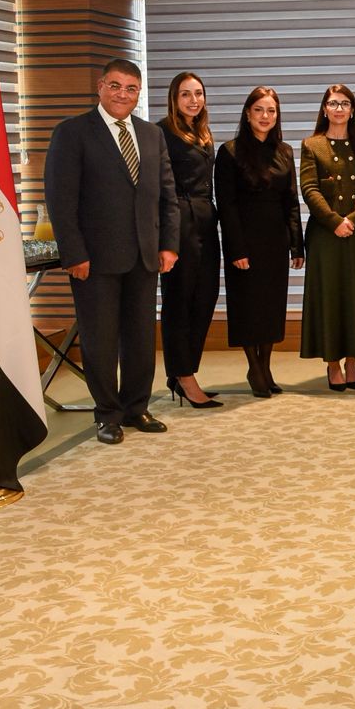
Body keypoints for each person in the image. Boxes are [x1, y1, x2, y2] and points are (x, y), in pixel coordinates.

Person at [44, 58, 179, 445]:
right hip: (94, 259)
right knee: (100, 340)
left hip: (144, 255)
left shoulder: (151, 135)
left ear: (139, 94)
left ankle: (137, 408)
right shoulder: (72, 132)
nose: (123, 94)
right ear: (100, 86)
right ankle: (107, 414)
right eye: (116, 86)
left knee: (140, 337)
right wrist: (73, 253)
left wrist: (169, 244)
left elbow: (167, 195)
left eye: (131, 88)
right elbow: (60, 199)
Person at [216, 86, 304, 398]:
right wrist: (236, 248)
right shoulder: (229, 152)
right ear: (247, 113)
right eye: (259, 110)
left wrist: (297, 245)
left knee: (271, 306)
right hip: (245, 240)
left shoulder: (285, 152)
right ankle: (253, 366)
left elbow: (291, 201)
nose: (265, 116)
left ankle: (265, 366)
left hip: (275, 240)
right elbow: (226, 205)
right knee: (247, 305)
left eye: (271, 111)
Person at [300, 84, 355, 390]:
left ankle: (352, 360)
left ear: (352, 110)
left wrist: (353, 219)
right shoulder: (312, 145)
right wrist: (335, 221)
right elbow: (309, 189)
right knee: (329, 297)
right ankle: (333, 363)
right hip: (325, 234)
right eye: (333, 103)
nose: (339, 109)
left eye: (345, 104)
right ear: (325, 109)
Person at [159, 71, 222, 408]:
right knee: (179, 301)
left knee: (205, 297)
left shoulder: (203, 132)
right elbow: (161, 187)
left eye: (198, 93)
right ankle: (182, 375)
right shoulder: (162, 132)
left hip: (206, 221)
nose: (193, 100)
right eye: (186, 94)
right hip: (179, 221)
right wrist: (166, 240)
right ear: (174, 98)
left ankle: (185, 371)